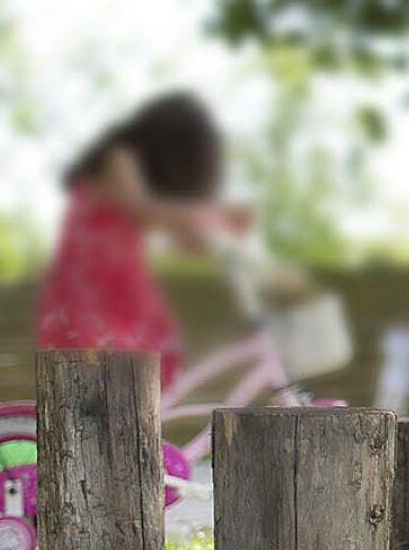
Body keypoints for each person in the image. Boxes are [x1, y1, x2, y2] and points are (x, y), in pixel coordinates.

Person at [36, 91, 250, 389]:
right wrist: (216, 213)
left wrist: (222, 241)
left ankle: (137, 434)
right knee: (112, 381)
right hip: (91, 293)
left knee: (151, 379)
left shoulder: (149, 181)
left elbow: (187, 241)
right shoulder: (119, 158)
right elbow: (143, 210)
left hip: (126, 293)